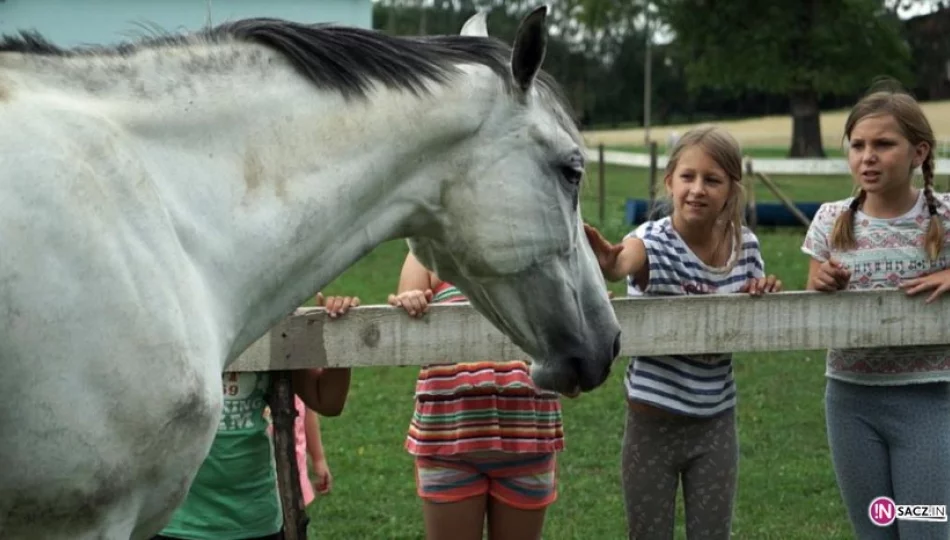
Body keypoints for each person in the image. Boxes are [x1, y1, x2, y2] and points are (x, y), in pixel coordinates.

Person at [584, 124, 782, 540]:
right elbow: (626, 261)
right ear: (669, 181)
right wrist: (610, 262)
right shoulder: (652, 240)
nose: (697, 189)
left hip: (715, 422)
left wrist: (759, 291)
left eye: (712, 180)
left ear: (731, 188)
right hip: (651, 424)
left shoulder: (744, 247)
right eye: (688, 177)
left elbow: (753, 302)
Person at [801, 84, 950, 540]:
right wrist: (822, 282)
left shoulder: (945, 215)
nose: (867, 156)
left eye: (883, 144)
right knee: (875, 531)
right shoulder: (830, 219)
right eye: (858, 145)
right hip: (851, 401)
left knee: (926, 530)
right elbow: (812, 289)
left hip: (931, 399)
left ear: (918, 152)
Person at [153, 292, 359, 540]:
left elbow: (327, 401)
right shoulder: (168, 318)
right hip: (172, 519)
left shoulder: (269, 319)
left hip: (254, 518)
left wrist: (339, 331)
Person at [388, 252, 565, 540]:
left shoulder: (540, 249)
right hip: (447, 441)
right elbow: (405, 328)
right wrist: (408, 301)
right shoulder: (428, 249)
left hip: (528, 438)